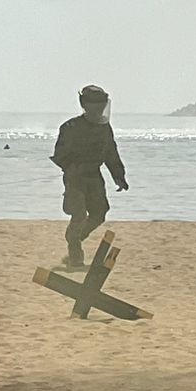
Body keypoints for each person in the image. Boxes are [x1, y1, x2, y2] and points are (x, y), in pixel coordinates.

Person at [52, 84, 126, 269]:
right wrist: (72, 167)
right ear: (85, 105)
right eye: (95, 105)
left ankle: (74, 239)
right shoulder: (70, 127)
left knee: (99, 213)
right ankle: (75, 257)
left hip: (94, 176)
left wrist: (119, 176)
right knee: (78, 214)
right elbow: (59, 154)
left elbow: (111, 153)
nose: (99, 109)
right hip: (75, 178)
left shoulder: (104, 128)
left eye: (101, 105)